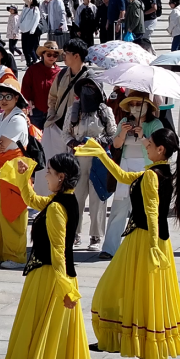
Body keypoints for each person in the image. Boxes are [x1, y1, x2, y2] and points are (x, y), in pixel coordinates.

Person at [0, 153, 95, 359]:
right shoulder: (65, 200)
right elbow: (32, 200)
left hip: (50, 279)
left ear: (61, 177)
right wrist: (24, 177)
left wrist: (65, 289)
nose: (46, 176)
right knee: (54, 338)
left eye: (50, 173)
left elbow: (58, 251)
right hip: (59, 277)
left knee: (36, 335)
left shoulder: (57, 207)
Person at [77, 130, 180, 359]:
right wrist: (102, 154)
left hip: (145, 241)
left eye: (149, 145)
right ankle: (133, 344)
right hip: (152, 241)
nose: (146, 147)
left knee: (131, 293)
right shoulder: (158, 172)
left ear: (160, 149)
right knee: (143, 295)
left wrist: (152, 248)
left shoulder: (151, 175)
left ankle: (145, 350)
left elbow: (152, 212)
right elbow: (124, 176)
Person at [100, 92, 164, 259]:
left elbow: (158, 147)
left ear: (148, 105)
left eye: (139, 104)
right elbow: (116, 145)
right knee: (119, 207)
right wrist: (123, 132)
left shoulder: (155, 124)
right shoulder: (124, 121)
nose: (135, 107)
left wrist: (142, 136)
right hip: (126, 166)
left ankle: (148, 247)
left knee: (144, 208)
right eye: (132, 104)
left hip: (146, 168)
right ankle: (110, 248)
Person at [65, 77, 117, 250]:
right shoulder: (73, 110)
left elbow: (113, 134)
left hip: (99, 159)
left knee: (98, 197)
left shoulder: (105, 111)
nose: (87, 90)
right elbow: (65, 133)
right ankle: (74, 233)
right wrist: (74, 143)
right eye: (84, 87)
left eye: (91, 87)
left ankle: (96, 236)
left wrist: (99, 142)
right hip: (78, 159)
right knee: (76, 197)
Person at [0, 78, 30, 269]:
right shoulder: (1, 117)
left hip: (13, 172)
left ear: (16, 98)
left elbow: (0, 145)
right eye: (1, 96)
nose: (3, 100)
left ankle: (16, 256)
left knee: (13, 214)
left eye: (8, 96)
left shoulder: (17, 119)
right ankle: (1, 252)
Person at [43, 39, 93, 187]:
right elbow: (52, 97)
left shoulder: (90, 78)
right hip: (56, 126)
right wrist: (51, 114)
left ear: (76, 56)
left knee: (72, 174)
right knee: (50, 167)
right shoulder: (62, 73)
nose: (63, 56)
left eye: (66, 53)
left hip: (76, 133)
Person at [22, 41, 60, 130]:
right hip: (35, 110)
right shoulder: (33, 69)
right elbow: (25, 87)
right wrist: (27, 103)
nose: (52, 57)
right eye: (49, 54)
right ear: (43, 54)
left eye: (55, 55)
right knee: (35, 136)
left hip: (53, 112)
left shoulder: (60, 73)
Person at [18, 0, 42, 65]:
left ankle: (35, 61)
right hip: (24, 30)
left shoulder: (35, 9)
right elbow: (20, 18)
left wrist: (32, 30)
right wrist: (18, 27)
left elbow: (36, 20)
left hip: (31, 32)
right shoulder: (25, 9)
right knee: (24, 49)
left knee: (30, 49)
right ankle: (28, 63)